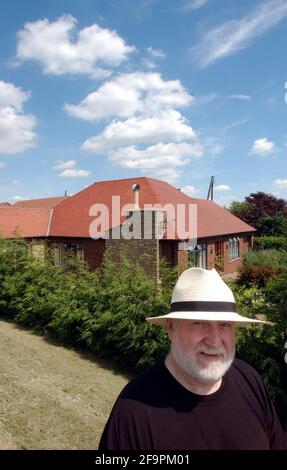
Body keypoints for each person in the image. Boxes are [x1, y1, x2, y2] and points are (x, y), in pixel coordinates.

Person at [99, 267, 286, 450]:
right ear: (171, 328)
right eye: (199, 323)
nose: (214, 341)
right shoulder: (133, 411)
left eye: (225, 325)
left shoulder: (249, 380)